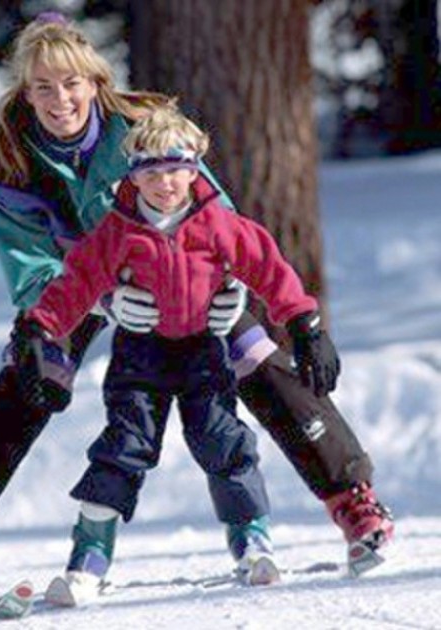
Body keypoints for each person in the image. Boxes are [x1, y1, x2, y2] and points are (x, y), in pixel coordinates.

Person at [0, 13, 393, 599]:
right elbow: (30, 267)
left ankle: (355, 504)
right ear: (23, 92)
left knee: (258, 357)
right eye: (43, 87)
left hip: (187, 273)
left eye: (72, 83)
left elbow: (217, 213)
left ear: (95, 82)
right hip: (78, 286)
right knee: (24, 383)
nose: (60, 100)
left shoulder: (143, 127)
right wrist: (96, 303)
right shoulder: (11, 165)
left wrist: (232, 286)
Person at [21, 105, 337, 602]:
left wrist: (304, 324)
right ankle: (89, 557)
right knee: (125, 445)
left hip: (202, 353)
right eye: (151, 172)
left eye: (176, 170)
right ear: (133, 175)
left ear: (194, 170)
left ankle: (252, 542)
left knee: (222, 440)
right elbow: (75, 283)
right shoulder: (117, 230)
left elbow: (269, 269)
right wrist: (40, 331)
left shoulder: (220, 224)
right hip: (139, 356)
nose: (165, 184)